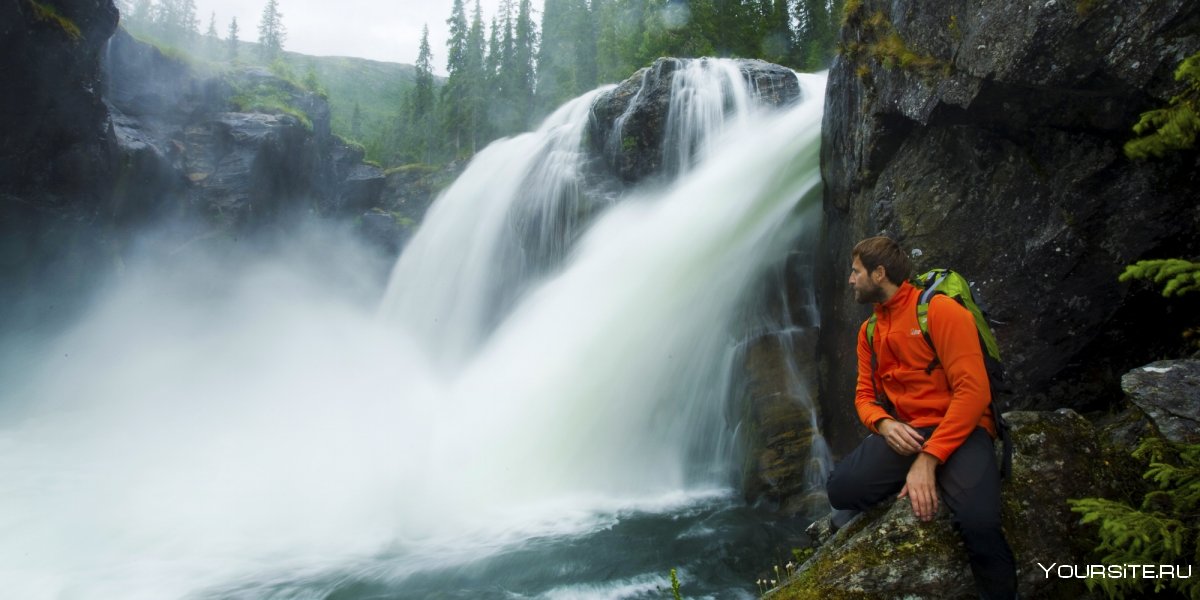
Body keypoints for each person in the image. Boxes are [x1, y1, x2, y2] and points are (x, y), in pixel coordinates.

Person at [825, 236, 1018, 600]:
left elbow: (973, 393)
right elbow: (864, 397)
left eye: (856, 272)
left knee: (979, 524)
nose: (850, 280)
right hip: (909, 430)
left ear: (879, 273)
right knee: (840, 489)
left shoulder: (940, 312)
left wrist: (928, 460)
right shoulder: (868, 332)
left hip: (961, 429)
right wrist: (884, 424)